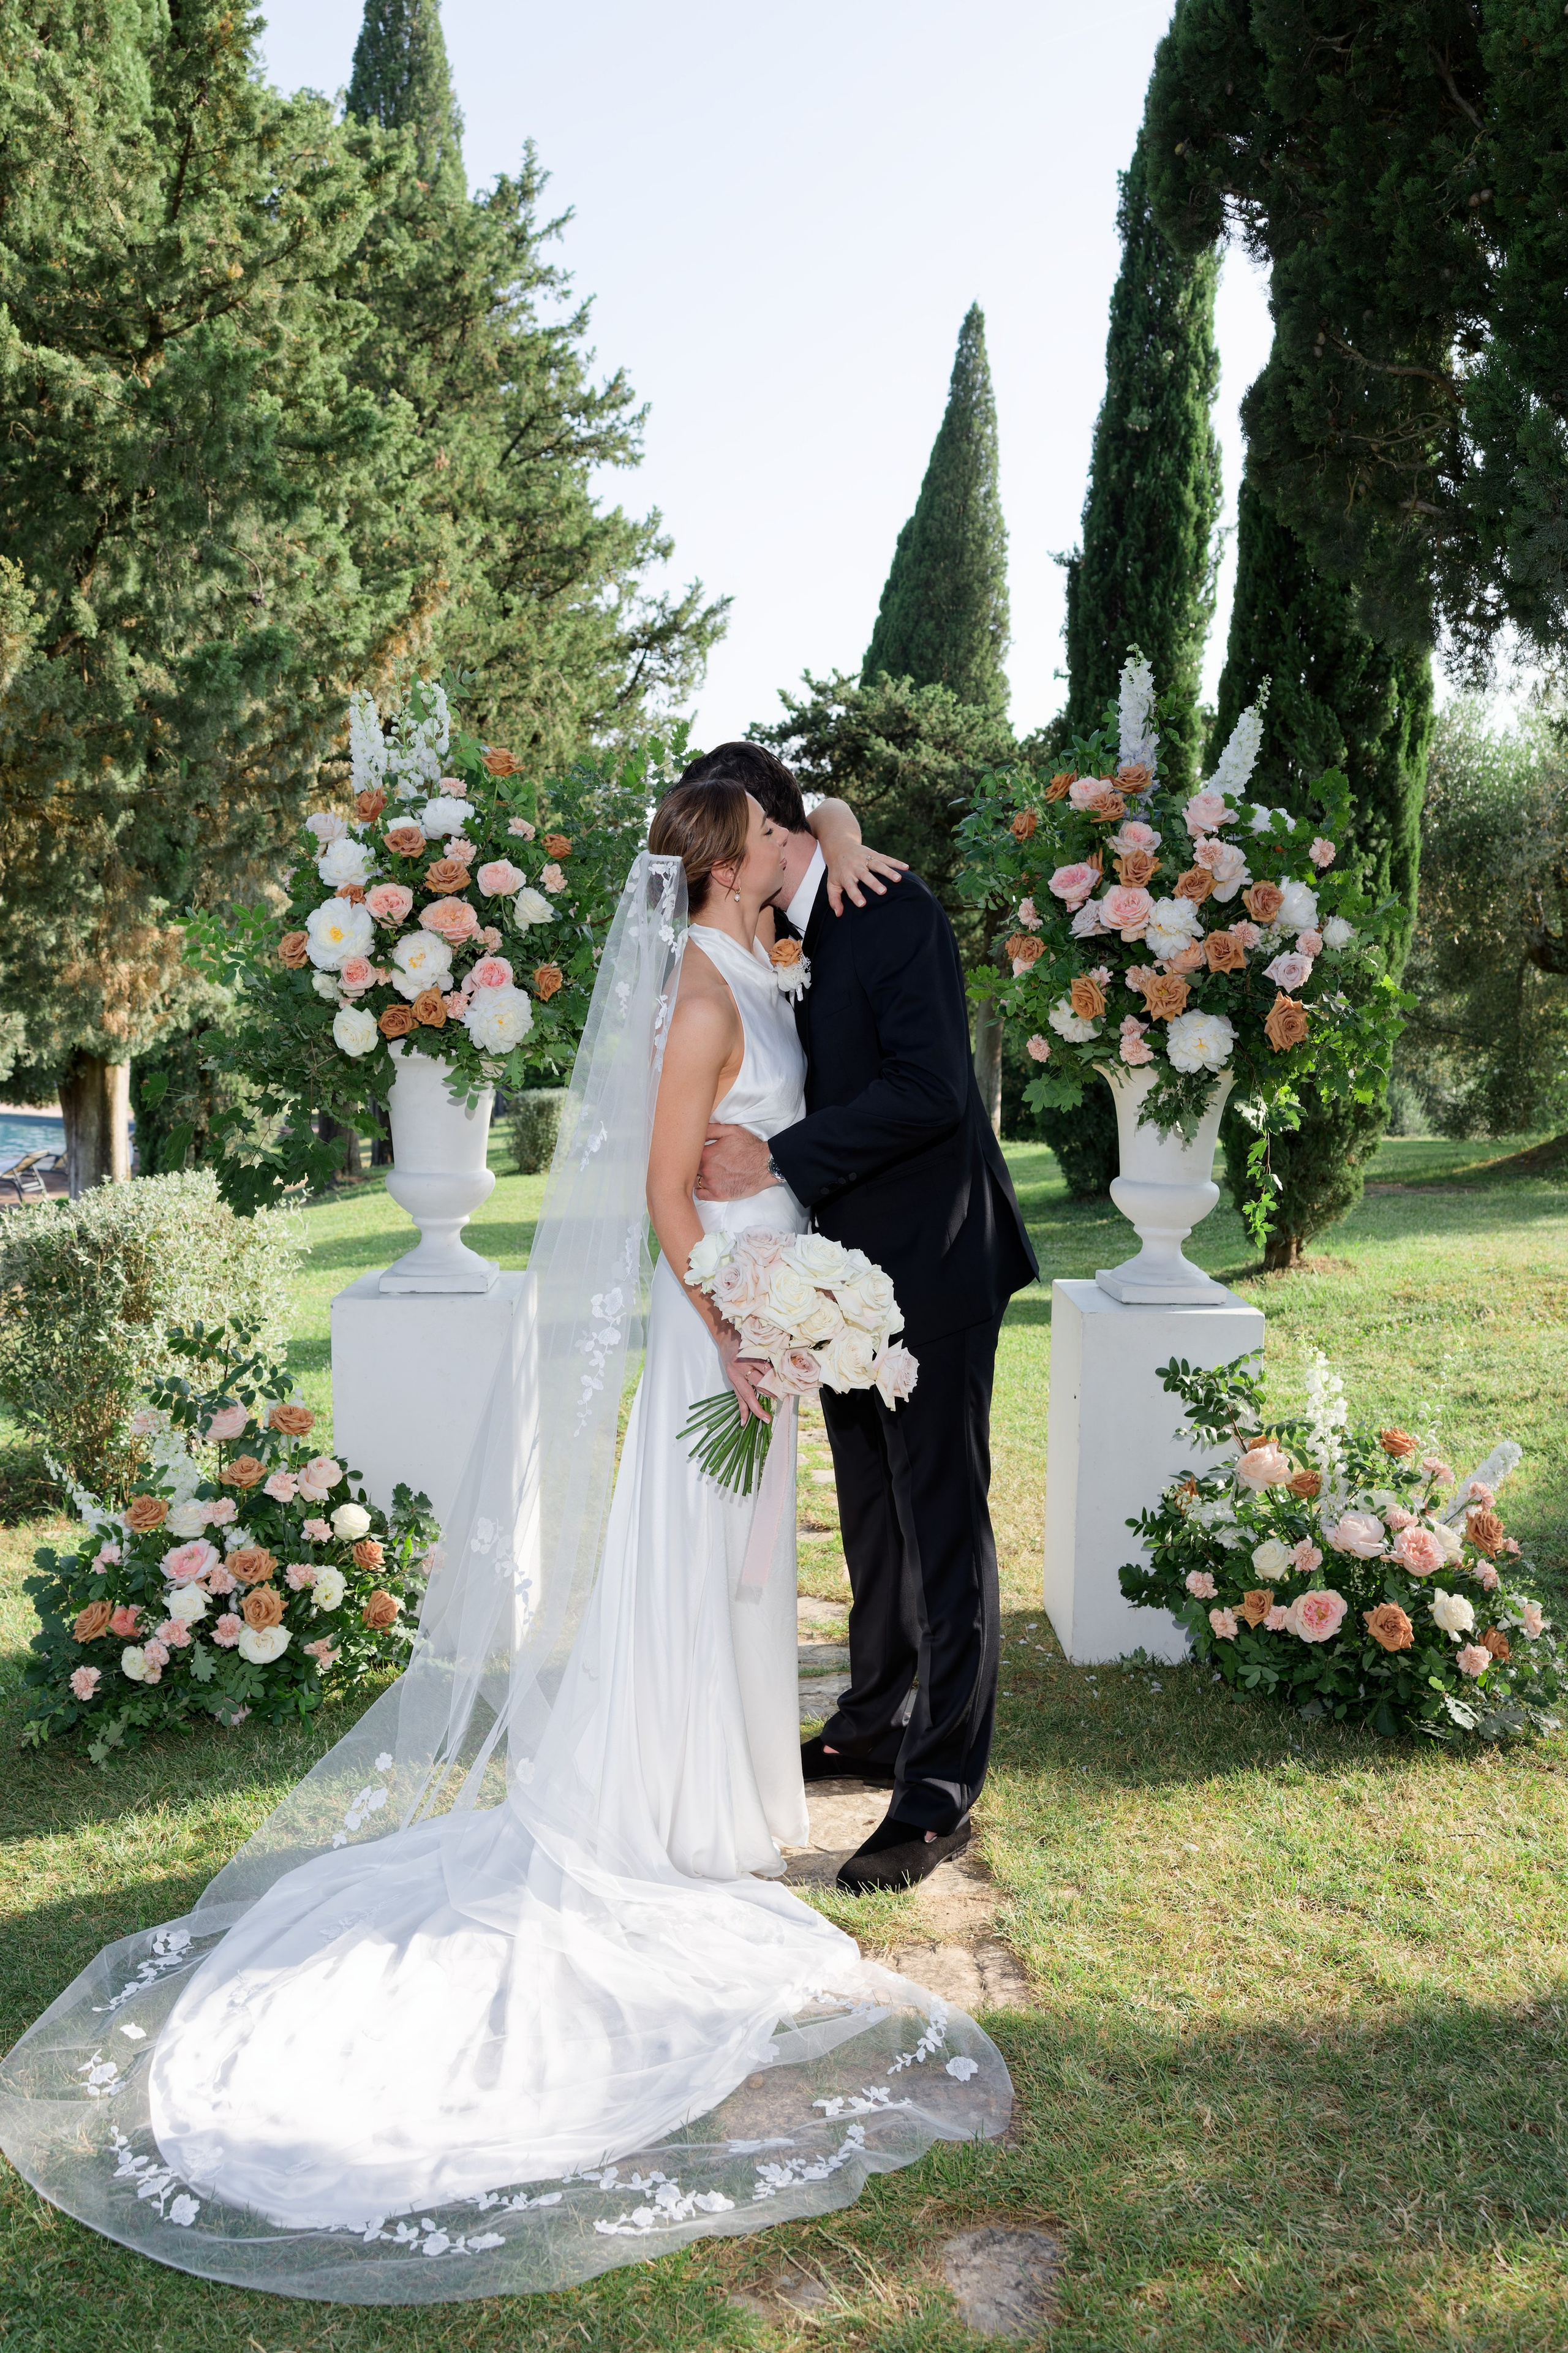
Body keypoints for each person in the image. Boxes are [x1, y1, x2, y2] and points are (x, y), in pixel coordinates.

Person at [0, 786, 1010, 2308]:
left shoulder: (841, 918)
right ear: (737, 865)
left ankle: (858, 1771)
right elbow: (669, 1186)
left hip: (865, 1269)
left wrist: (838, 852)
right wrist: (734, 1316)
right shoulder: (717, 970)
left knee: (875, 1534)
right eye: (766, 853)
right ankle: (738, 1773)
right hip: (745, 1307)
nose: (782, 868)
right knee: (756, 1547)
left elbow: (906, 1075)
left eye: (789, 844)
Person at [687, 742, 1039, 1893]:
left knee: (941, 1515)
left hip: (931, 1263)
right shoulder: (794, 906)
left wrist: (777, 1155)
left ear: (774, 830)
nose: (726, 861)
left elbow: (936, 1091)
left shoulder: (883, 905)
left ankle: (937, 1796)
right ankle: (875, 1717)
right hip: (831, 1275)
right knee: (872, 1508)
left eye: (737, 836)